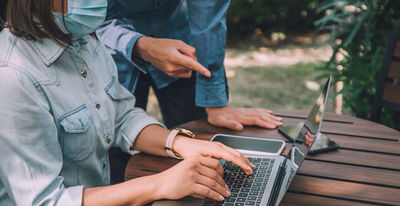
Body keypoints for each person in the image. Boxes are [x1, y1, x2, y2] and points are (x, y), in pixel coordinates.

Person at [0, 0, 254, 206]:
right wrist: (160, 184)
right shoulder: (13, 77)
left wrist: (178, 144)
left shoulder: (83, 37)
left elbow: (120, 116)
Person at [97, 0, 283, 131]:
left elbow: (208, 14)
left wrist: (213, 100)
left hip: (181, 43)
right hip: (110, 54)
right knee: (115, 153)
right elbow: (87, 20)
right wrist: (140, 46)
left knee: (199, 137)